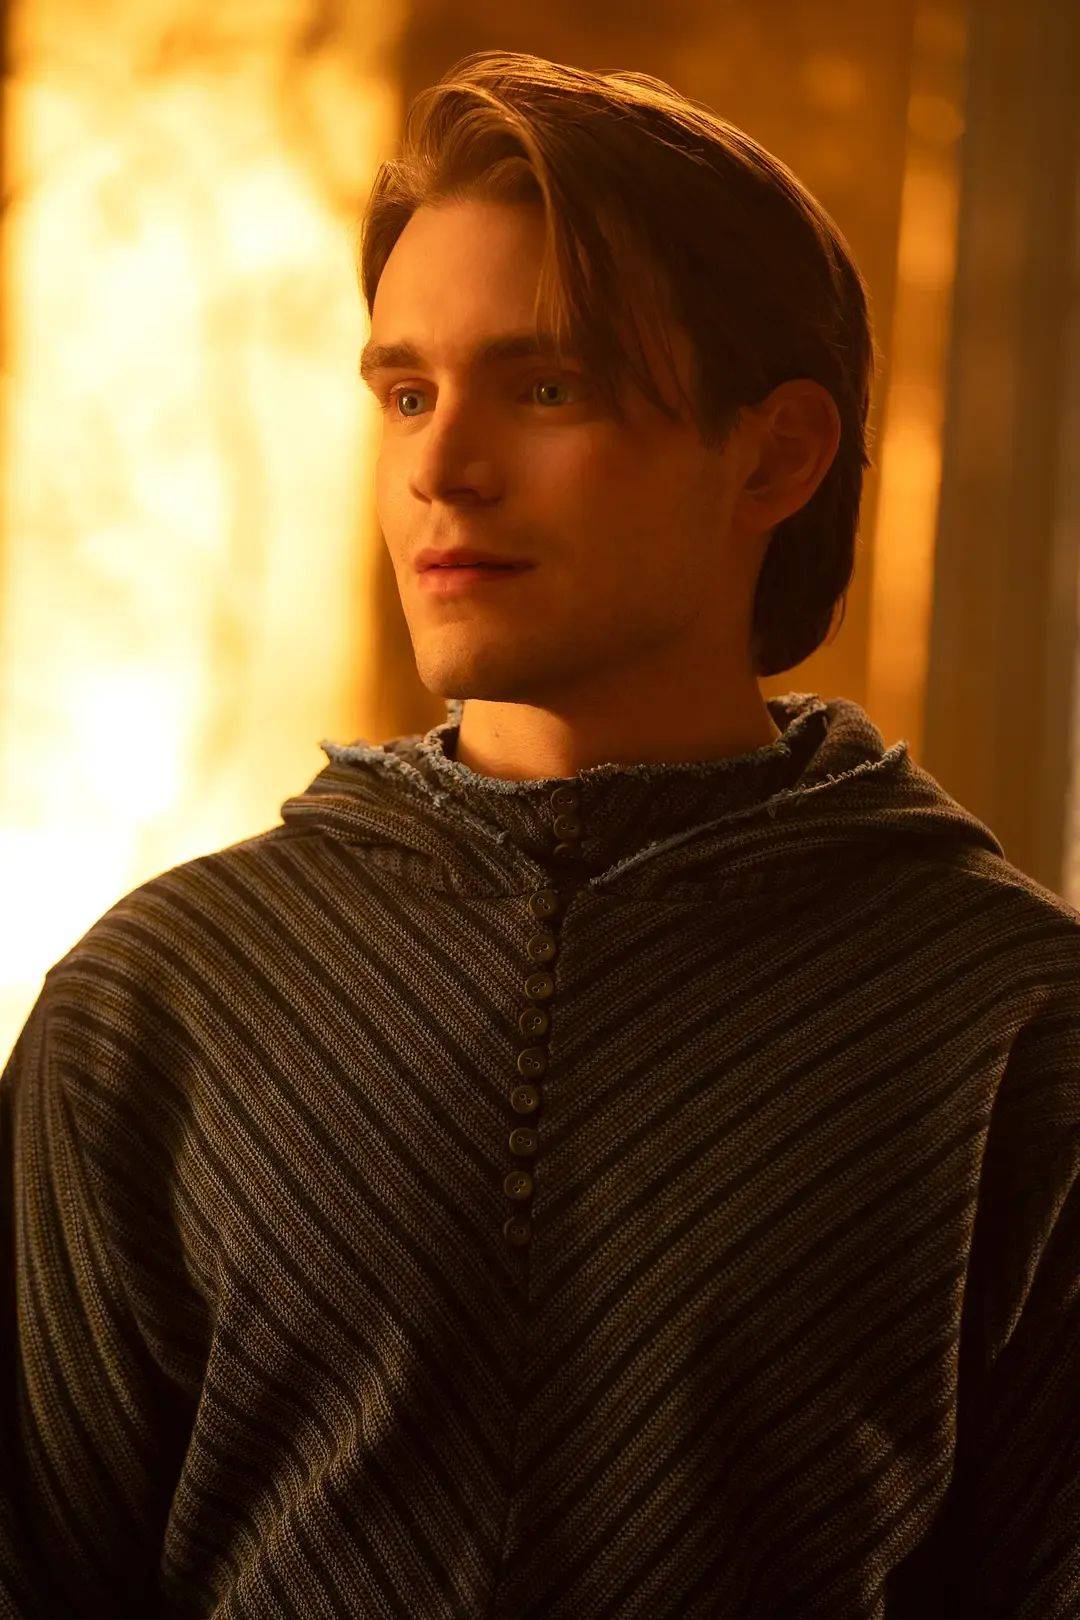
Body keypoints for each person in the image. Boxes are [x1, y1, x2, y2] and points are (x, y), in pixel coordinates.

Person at [2, 48, 1077, 1620]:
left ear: (775, 453)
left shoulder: (1010, 1031)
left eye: (547, 387)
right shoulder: (160, 1006)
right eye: (407, 394)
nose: (441, 469)